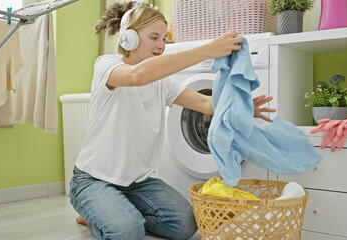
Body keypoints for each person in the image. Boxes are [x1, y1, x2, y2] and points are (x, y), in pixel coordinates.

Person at [69, 2, 275, 240]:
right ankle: (97, 211)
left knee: (186, 224)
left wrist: (243, 108)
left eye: (164, 38)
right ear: (128, 39)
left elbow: (206, 105)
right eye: (154, 37)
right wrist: (206, 50)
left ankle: (110, 210)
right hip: (93, 178)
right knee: (128, 232)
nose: (161, 46)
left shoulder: (163, 82)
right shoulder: (107, 65)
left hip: (136, 183)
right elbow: (137, 76)